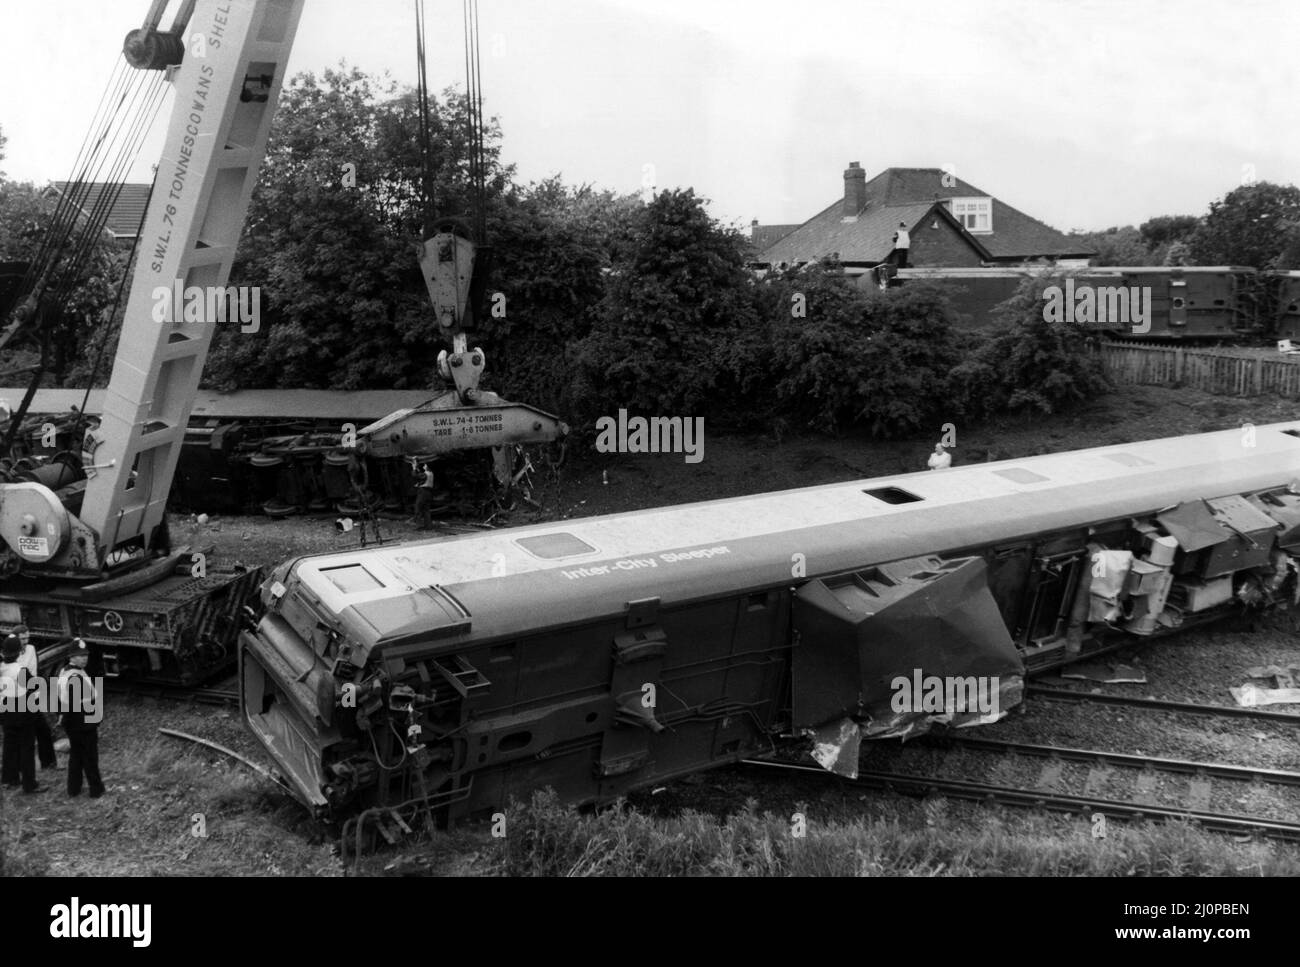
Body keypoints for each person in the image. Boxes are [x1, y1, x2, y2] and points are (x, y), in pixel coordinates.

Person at [57, 639, 103, 799]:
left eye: (85, 655)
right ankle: (96, 790)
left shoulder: (66, 671)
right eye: (80, 655)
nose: (85, 658)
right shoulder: (75, 676)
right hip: (82, 721)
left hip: (74, 722)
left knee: (76, 755)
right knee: (90, 757)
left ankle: (73, 788)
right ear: (72, 657)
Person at [0, 632, 41, 793]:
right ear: (19, 652)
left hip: (5, 711)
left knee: (9, 744)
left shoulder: (2, 667)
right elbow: (34, 686)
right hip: (22, 712)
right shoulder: (19, 670)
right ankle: (29, 784)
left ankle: (9, 778)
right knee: (26, 747)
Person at [15, 626, 56, 770]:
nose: (25, 641)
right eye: (22, 639)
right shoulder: (10, 654)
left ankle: (49, 762)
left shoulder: (31, 649)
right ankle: (22, 768)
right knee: (25, 734)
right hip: (19, 698)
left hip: (32, 694)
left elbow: (35, 671)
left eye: (27, 638)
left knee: (43, 730)